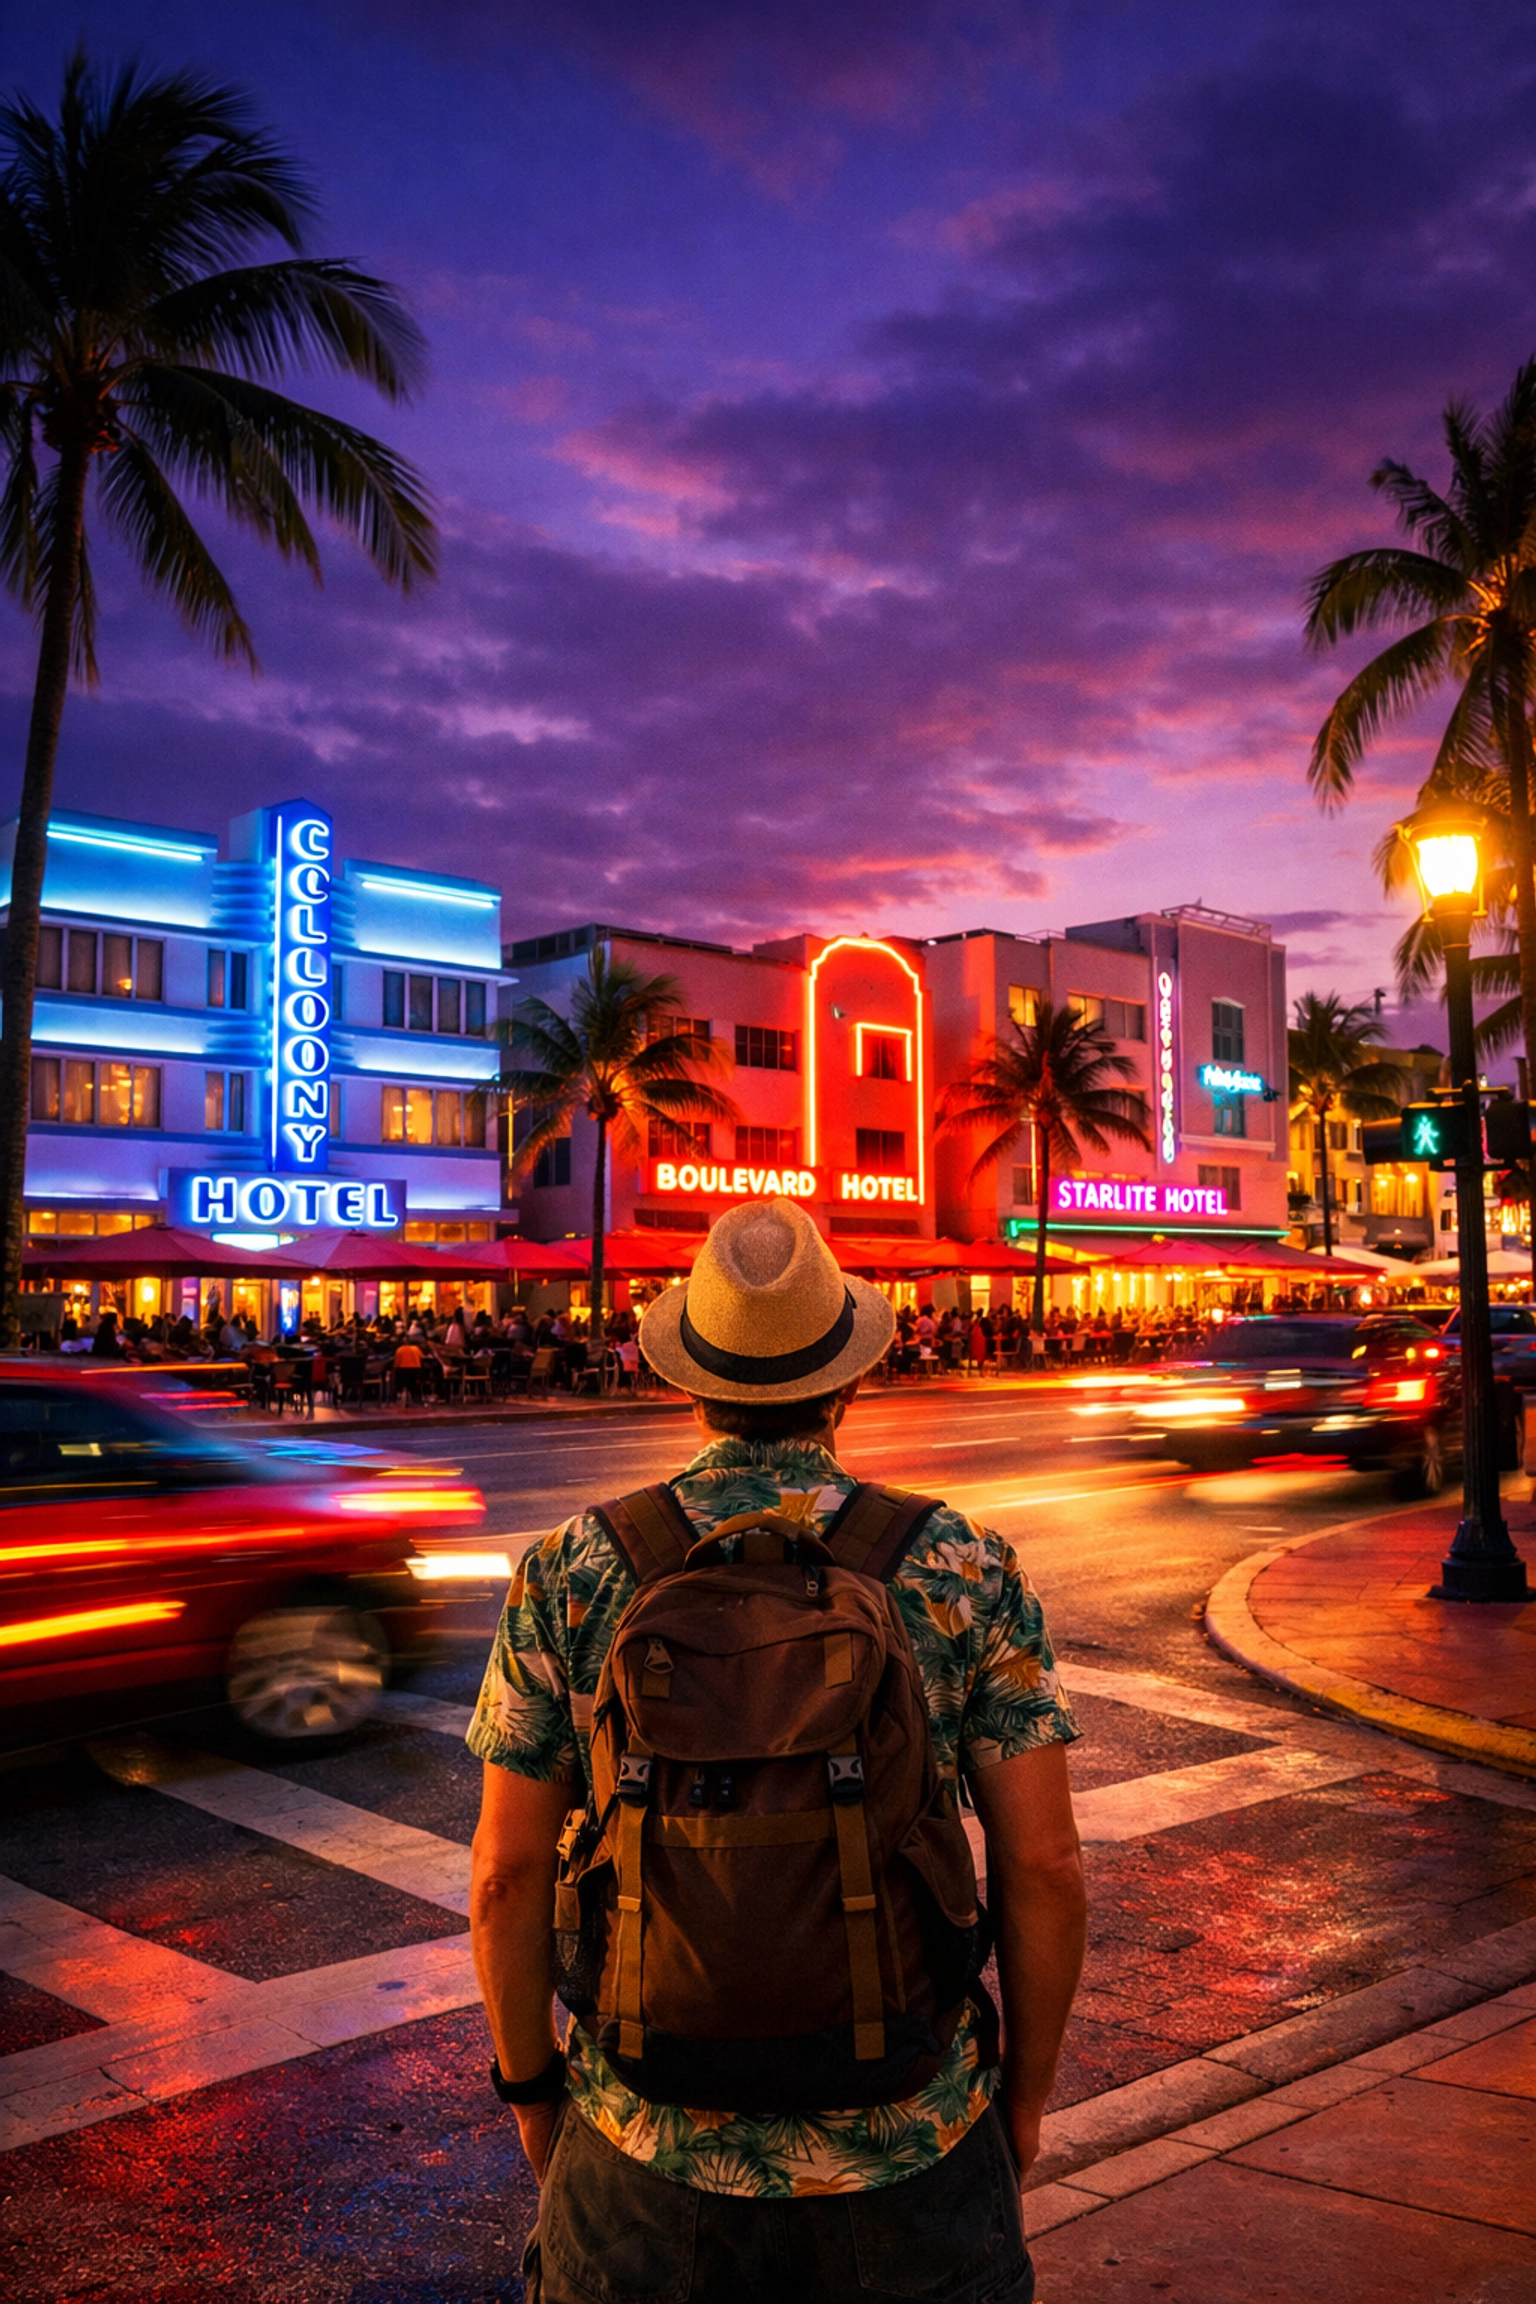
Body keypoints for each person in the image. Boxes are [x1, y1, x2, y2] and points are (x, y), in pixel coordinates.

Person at [468, 1197, 1085, 2304]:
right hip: (910, 2142)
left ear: (689, 1381)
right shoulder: (961, 1564)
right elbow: (1043, 1865)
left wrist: (532, 2093)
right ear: (850, 1379)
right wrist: (1022, 2101)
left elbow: (506, 1875)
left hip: (644, 2145)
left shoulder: (572, 1568)